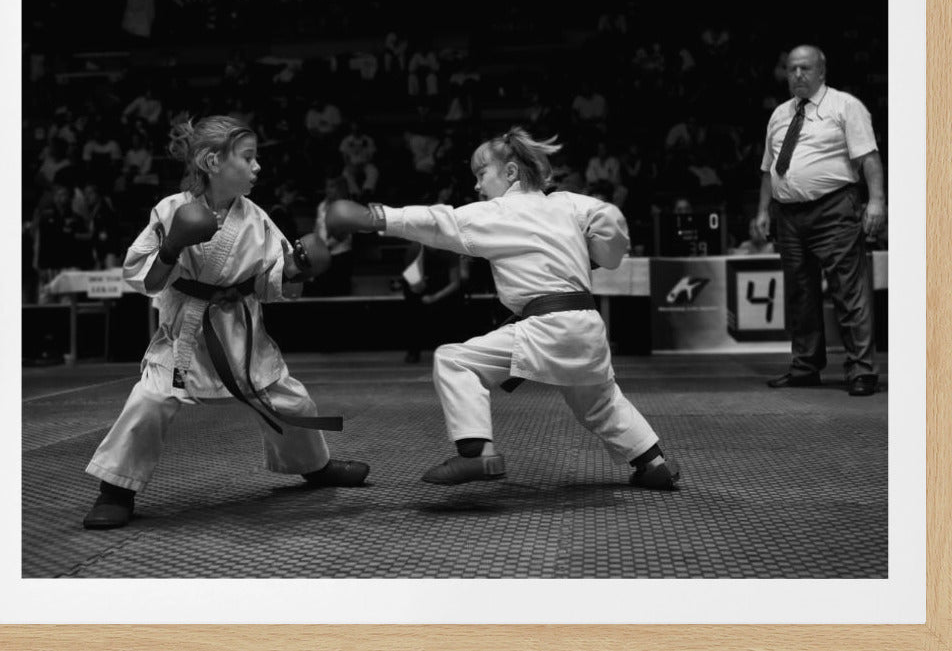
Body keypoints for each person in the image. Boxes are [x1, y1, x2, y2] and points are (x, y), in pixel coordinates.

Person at [326, 126, 679, 490]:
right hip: (586, 324)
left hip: (547, 325)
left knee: (454, 360)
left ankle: (476, 453)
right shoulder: (568, 203)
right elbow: (611, 220)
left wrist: (374, 216)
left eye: (482, 174)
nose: (477, 186)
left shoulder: (498, 212)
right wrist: (601, 256)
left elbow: (438, 221)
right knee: (601, 402)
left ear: (510, 173)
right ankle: (653, 462)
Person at [82, 115, 369, 530]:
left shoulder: (256, 219)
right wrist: (171, 247)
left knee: (292, 402)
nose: (258, 168)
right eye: (249, 158)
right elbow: (143, 278)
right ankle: (116, 489)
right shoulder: (171, 209)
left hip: (239, 332)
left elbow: (272, 279)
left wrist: (295, 270)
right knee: (150, 401)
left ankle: (314, 465)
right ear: (211, 161)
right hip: (184, 334)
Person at [755, 45, 886, 397]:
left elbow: (870, 158)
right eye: (792, 69)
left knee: (848, 290)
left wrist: (876, 201)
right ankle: (805, 366)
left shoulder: (845, 106)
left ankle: (861, 370)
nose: (797, 75)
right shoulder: (781, 114)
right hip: (788, 214)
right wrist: (763, 210)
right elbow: (768, 170)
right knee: (800, 293)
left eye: (805, 69)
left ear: (821, 72)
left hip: (834, 209)